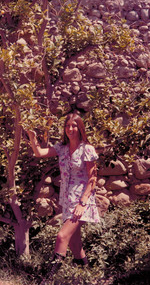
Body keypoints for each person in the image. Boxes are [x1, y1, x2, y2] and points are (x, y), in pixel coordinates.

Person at [27, 113, 100, 272]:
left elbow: (93, 178)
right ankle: (88, 278)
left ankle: (47, 282)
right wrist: (31, 136)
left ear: (80, 128)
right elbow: (39, 153)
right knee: (75, 244)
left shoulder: (86, 149)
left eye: (74, 126)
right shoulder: (62, 148)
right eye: (67, 126)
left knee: (62, 236)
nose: (70, 129)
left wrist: (82, 202)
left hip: (82, 200)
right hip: (67, 200)